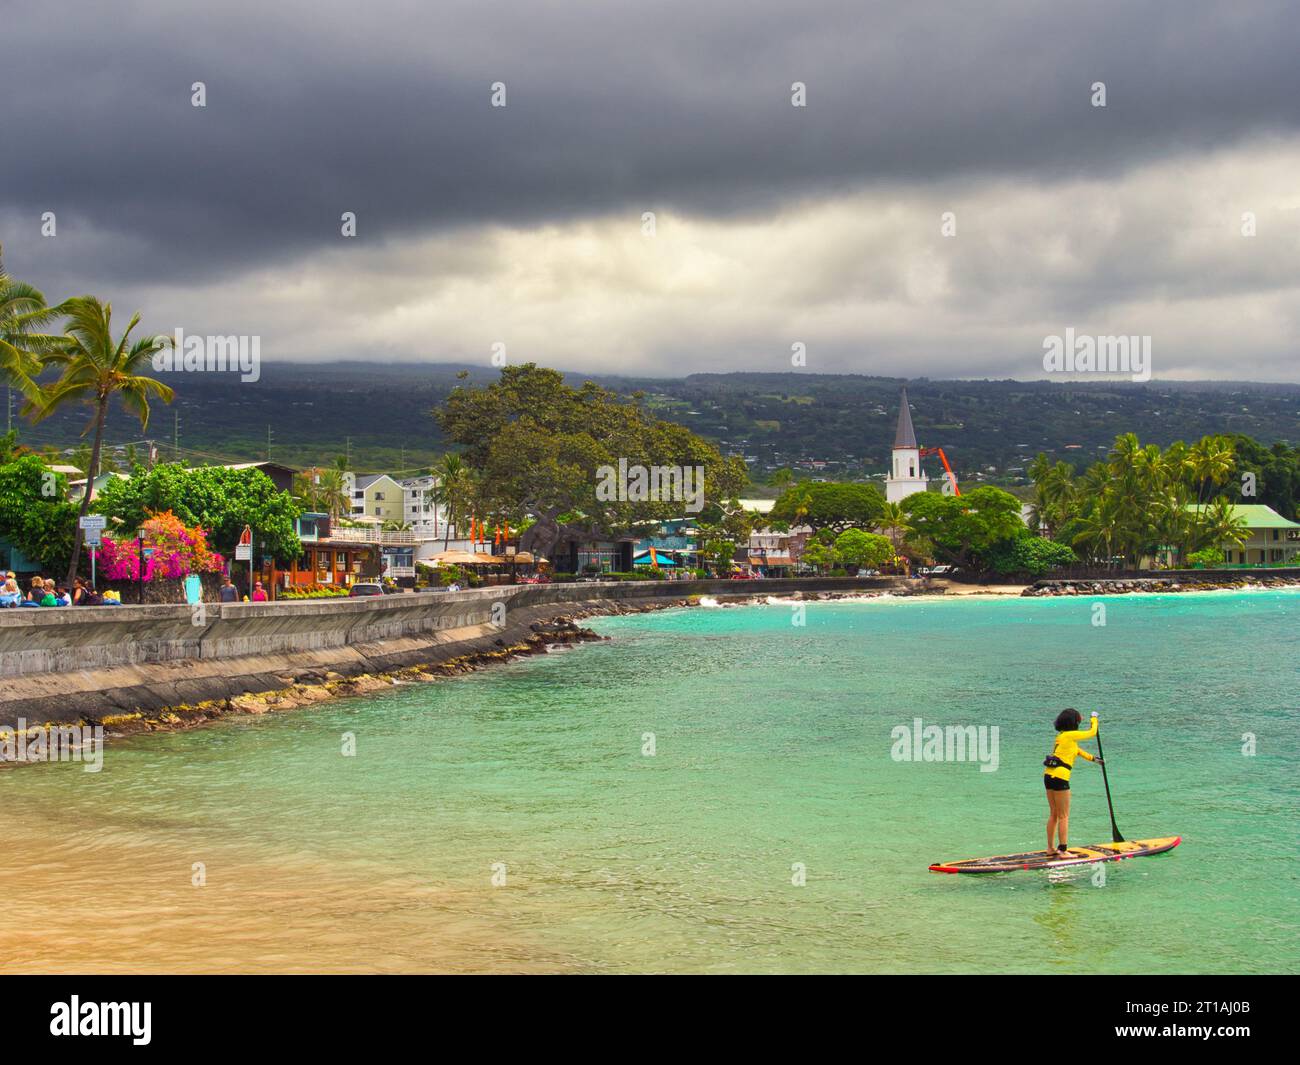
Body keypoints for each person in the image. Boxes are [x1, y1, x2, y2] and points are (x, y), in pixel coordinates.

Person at [1043, 709, 1101, 856]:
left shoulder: (1062, 737)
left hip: (1048, 776)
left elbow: (1077, 751)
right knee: (1064, 815)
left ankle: (1050, 848)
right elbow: (1092, 732)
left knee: (1054, 814)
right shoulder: (1070, 735)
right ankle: (1063, 850)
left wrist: (1095, 759)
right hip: (1061, 777)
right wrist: (1094, 718)